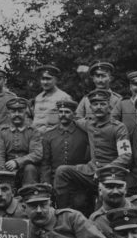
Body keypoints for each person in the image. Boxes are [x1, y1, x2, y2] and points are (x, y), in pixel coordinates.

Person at [54, 89, 132, 217]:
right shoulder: (88, 123)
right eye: (95, 104)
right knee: (62, 171)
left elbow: (126, 156)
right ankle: (64, 214)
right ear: (90, 107)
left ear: (109, 106)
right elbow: (72, 118)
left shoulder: (119, 128)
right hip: (90, 170)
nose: (99, 107)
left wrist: (106, 169)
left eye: (102, 104)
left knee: (101, 211)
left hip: (110, 174)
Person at [0, 97, 43, 188]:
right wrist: (4, 171)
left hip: (27, 171)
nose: (17, 114)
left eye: (20, 111)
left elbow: (37, 154)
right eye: (13, 112)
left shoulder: (32, 131)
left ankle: (29, 196)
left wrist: (17, 162)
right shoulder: (2, 131)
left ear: (25, 113)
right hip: (7, 169)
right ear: (8, 114)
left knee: (30, 168)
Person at [40, 99, 89, 185]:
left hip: (77, 180)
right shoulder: (48, 135)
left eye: (67, 112)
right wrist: (46, 182)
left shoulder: (84, 135)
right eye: (60, 112)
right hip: (54, 180)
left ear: (74, 114)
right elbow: (45, 163)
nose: (63, 115)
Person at [32, 65, 72, 133]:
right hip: (37, 138)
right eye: (43, 79)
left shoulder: (64, 97)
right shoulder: (38, 97)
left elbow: (69, 122)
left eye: (48, 79)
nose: (45, 82)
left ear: (56, 80)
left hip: (54, 138)